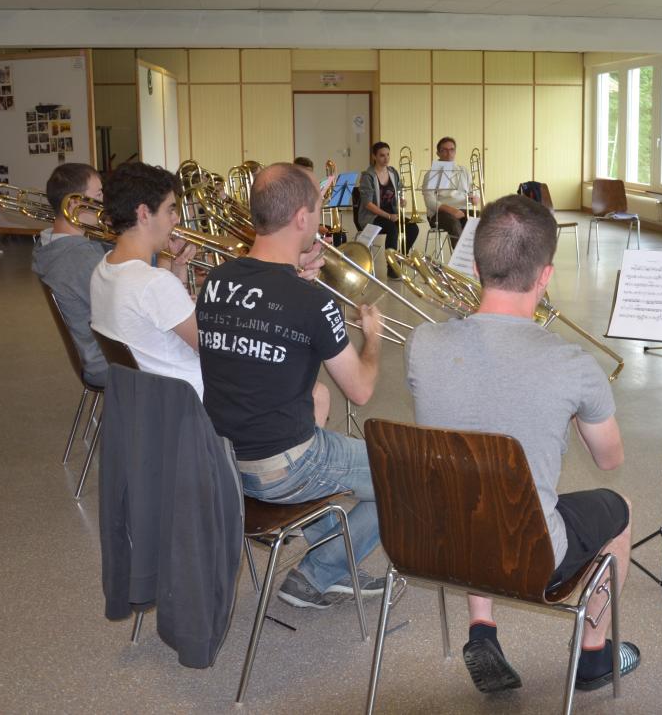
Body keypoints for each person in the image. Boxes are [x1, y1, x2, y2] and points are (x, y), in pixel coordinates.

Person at [405, 194, 639, 696]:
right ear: (545, 275)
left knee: (475, 485)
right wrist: (570, 413)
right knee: (619, 509)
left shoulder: (423, 344)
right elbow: (610, 460)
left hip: (437, 543)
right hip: (529, 555)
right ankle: (593, 655)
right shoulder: (573, 365)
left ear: (475, 266)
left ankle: (482, 627)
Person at [196, 162, 388, 610]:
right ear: (302, 217)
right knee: (405, 474)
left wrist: (293, 278)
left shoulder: (217, 281)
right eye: (318, 210)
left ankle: (331, 560)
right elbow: (360, 389)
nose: (319, 220)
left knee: (319, 419)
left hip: (224, 460)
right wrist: (373, 338)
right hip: (283, 467)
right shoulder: (311, 301)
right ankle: (318, 573)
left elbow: (262, 326)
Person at [89, 163, 202, 395]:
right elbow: (210, 346)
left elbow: (160, 317)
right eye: (170, 210)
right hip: (191, 399)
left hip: (149, 398)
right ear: (143, 214)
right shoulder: (154, 283)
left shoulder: (103, 269)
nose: (176, 219)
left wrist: (178, 265)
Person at [32, 163, 109, 388]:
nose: (104, 202)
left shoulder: (50, 245)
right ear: (74, 203)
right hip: (108, 361)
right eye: (99, 194)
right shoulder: (79, 258)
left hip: (93, 355)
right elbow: (131, 309)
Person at [357, 141, 419, 278]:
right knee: (392, 228)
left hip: (392, 213)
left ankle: (398, 259)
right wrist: (388, 216)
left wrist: (401, 200)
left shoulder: (393, 172)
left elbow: (399, 190)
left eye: (388, 155)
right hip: (372, 216)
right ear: (374, 156)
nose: (386, 158)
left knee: (413, 228)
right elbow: (367, 204)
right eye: (382, 155)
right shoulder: (368, 176)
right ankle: (391, 268)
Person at [422, 136, 477, 247]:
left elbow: (473, 190)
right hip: (439, 213)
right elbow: (429, 201)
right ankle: (459, 257)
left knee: (484, 220)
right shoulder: (432, 174)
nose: (449, 153)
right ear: (438, 153)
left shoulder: (464, 171)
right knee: (453, 223)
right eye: (444, 150)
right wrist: (451, 210)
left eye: (452, 149)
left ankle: (478, 256)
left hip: (463, 209)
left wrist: (476, 197)